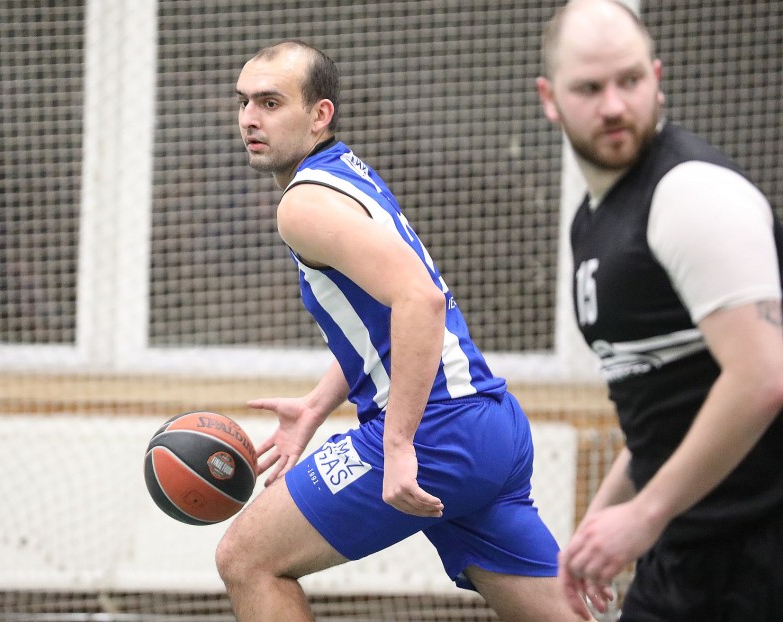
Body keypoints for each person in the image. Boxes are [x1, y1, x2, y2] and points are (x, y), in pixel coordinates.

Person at [216, 40, 587, 622]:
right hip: (489, 425)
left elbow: (421, 301)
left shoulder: (302, 206)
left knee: (247, 559)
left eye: (270, 102)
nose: (249, 119)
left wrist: (398, 443)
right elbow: (386, 318)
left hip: (437, 432)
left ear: (320, 114)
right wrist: (316, 405)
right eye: (243, 102)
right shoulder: (344, 172)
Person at [535, 1, 783, 619]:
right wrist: (602, 520)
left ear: (657, 77)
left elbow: (762, 378)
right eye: (589, 88)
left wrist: (645, 513)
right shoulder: (593, 222)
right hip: (689, 548)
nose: (614, 105)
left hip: (759, 548)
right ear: (550, 98)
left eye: (630, 80)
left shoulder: (691, 193)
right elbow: (665, 405)